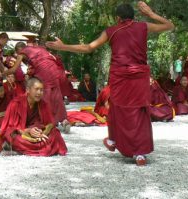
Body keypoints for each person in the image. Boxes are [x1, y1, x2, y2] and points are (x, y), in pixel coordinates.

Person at [46, 1, 174, 166]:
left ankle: (114, 140)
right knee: (139, 111)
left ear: (117, 18)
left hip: (120, 76)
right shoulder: (143, 26)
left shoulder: (112, 31)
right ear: (133, 16)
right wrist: (150, 14)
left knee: (116, 107)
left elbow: (88, 47)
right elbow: (169, 25)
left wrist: (63, 47)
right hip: (139, 76)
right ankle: (140, 153)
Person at [4, 42, 70, 132]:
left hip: (43, 71)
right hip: (54, 70)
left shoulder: (22, 53)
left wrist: (3, 74)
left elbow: (14, 69)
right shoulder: (38, 48)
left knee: (43, 97)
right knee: (56, 96)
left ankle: (47, 121)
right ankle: (64, 120)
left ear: (19, 49)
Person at [0, 78, 67, 156]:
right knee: (14, 138)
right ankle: (31, 148)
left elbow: (49, 124)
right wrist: (28, 130)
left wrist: (40, 132)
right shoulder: (16, 103)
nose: (39, 93)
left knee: (55, 133)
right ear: (28, 90)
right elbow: (9, 129)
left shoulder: (43, 104)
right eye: (36, 89)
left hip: (38, 133)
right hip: (22, 133)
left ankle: (22, 150)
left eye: (41, 90)